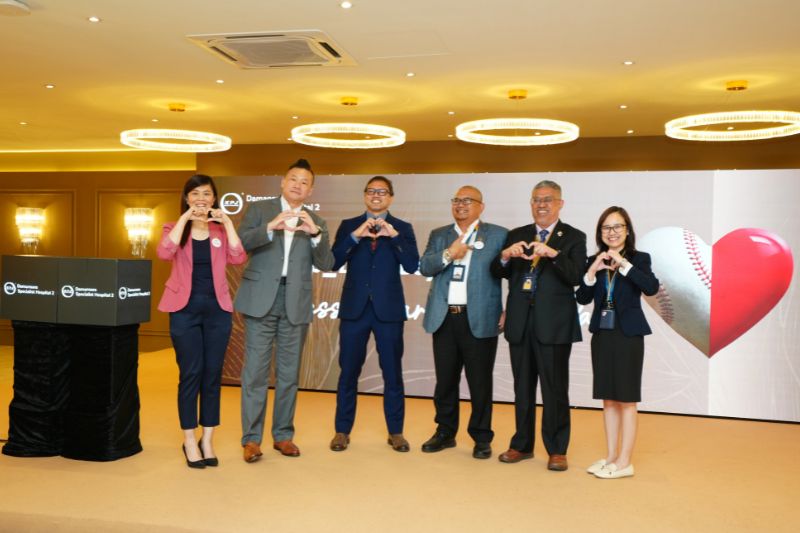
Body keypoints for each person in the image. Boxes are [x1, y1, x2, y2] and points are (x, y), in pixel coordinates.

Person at [235, 159, 334, 463]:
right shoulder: (260, 210)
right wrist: (269, 227)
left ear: (310, 189)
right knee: (255, 373)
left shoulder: (317, 221)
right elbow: (240, 245)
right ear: (282, 181)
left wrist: (315, 234)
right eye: (293, 179)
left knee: (289, 374)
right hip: (261, 298)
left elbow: (326, 264)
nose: (298, 185)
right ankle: (251, 440)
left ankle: (283, 436)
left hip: (295, 302)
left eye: (304, 182)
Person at [491, 180, 586, 471]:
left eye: (547, 199)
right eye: (536, 199)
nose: (541, 204)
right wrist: (506, 256)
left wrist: (553, 254)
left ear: (560, 204)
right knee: (522, 388)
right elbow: (496, 271)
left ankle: (557, 449)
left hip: (554, 324)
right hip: (520, 322)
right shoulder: (517, 234)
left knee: (555, 389)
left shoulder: (572, 236)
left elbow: (575, 276)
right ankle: (522, 444)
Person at [157, 174, 246, 469]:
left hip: (217, 310)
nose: (201, 199)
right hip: (183, 310)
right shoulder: (174, 228)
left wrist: (229, 223)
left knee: (212, 374)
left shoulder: (220, 230)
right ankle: (189, 440)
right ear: (186, 198)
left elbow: (238, 257)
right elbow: (163, 252)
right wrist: (184, 219)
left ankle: (208, 438)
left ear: (214, 198)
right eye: (194, 194)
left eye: (206, 194)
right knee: (190, 373)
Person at [329, 176, 419, 452]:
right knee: (348, 373)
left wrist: (393, 237)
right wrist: (356, 235)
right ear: (365, 196)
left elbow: (412, 264)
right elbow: (333, 261)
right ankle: (342, 431)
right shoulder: (348, 226)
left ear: (391, 197)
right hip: (355, 310)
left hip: (388, 312)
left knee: (392, 373)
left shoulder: (403, 228)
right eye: (371, 191)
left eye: (382, 192)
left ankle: (396, 432)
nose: (376, 195)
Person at [419, 186, 507, 459]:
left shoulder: (498, 235)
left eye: (468, 200)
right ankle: (445, 432)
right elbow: (425, 267)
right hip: (445, 318)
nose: (461, 205)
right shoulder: (439, 235)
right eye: (457, 200)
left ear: (481, 206)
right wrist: (449, 254)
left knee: (480, 382)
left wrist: (509, 309)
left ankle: (481, 437)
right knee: (445, 380)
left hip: (480, 317)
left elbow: (512, 273)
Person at [575, 206, 659, 479]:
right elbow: (583, 298)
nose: (612, 232)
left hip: (628, 335)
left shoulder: (639, 259)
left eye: (617, 227)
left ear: (627, 230)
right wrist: (592, 269)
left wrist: (623, 265)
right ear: (600, 232)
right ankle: (611, 456)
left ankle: (625, 461)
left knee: (627, 399)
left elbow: (651, 287)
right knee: (608, 398)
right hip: (602, 334)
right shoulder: (594, 260)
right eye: (606, 228)